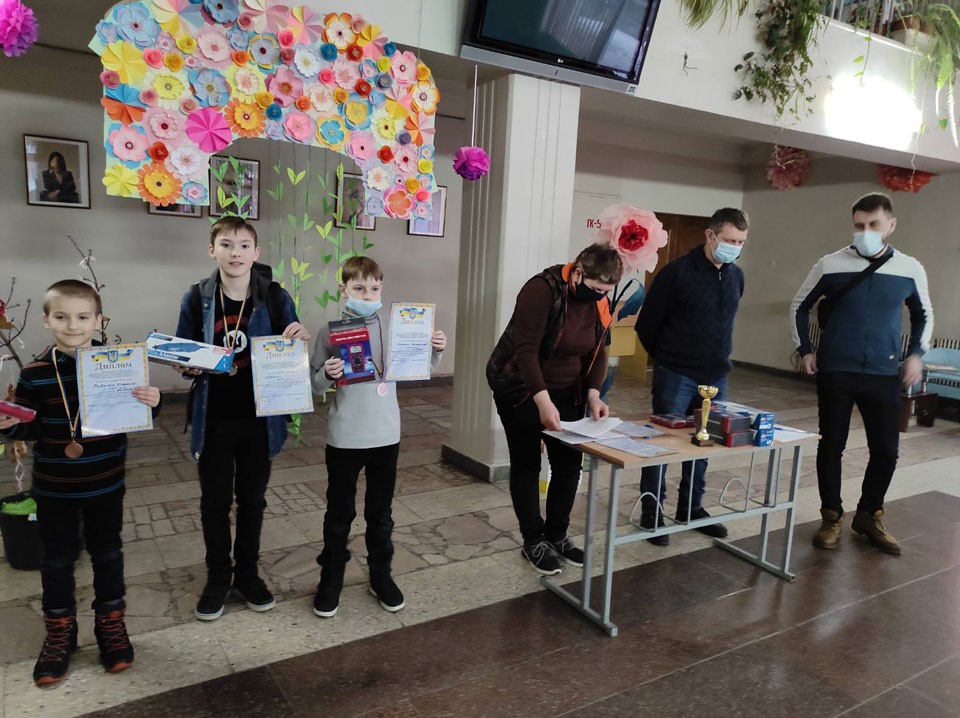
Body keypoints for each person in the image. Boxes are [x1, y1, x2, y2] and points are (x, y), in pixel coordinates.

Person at [0, 280, 161, 686]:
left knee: (108, 553)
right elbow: (29, 428)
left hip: (105, 483)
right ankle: (60, 632)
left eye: (83, 317)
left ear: (99, 320)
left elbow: (135, 416)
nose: (73, 325)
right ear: (46, 320)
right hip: (54, 486)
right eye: (62, 316)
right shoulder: (35, 373)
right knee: (56, 559)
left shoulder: (118, 364)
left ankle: (111, 625)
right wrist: (8, 426)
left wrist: (152, 403)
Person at [175, 216, 309, 621]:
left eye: (244, 245)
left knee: (253, 500)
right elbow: (184, 351)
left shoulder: (275, 296)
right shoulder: (196, 297)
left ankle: (248, 575)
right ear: (212, 250)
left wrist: (298, 338)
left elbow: (292, 346)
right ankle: (218, 577)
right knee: (214, 502)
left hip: (259, 418)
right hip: (214, 416)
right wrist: (186, 365)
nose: (236, 253)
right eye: (227, 244)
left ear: (256, 252)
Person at [791, 192, 933, 556]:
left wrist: (916, 355)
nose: (865, 231)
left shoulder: (909, 268)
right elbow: (799, 306)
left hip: (884, 372)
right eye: (859, 225)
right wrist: (806, 349)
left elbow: (924, 315)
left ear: (890, 225)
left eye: (873, 224)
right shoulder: (830, 264)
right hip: (836, 370)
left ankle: (869, 514)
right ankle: (831, 516)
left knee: (886, 450)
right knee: (831, 445)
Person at [309, 256, 446, 617]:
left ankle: (380, 576)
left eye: (374, 288)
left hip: (386, 435)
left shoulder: (397, 326)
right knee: (339, 514)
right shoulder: (329, 332)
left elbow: (418, 368)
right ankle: (331, 579)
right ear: (344, 289)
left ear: (381, 288)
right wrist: (326, 374)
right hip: (345, 437)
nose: (368, 295)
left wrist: (435, 349)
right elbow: (312, 385)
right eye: (359, 288)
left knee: (381, 513)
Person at [487, 244, 621, 575]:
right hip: (521, 389)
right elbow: (526, 351)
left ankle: (557, 536)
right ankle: (533, 541)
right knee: (527, 464)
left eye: (606, 292)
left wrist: (593, 394)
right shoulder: (541, 290)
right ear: (578, 273)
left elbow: (599, 350)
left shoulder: (599, 300)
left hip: (568, 390)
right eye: (596, 289)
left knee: (568, 465)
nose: (600, 296)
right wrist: (542, 401)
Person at [634, 208, 749, 545]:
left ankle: (691, 507)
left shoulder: (736, 276)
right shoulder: (676, 273)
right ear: (710, 236)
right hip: (676, 374)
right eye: (729, 240)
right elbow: (647, 324)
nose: (735, 247)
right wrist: (668, 359)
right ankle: (651, 510)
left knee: (704, 442)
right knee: (663, 444)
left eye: (740, 242)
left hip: (716, 377)